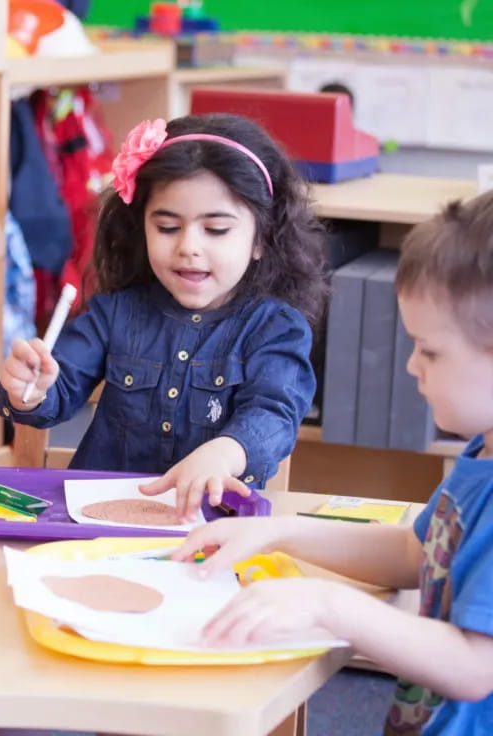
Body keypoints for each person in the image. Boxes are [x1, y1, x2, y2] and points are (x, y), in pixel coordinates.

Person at [175, 192, 493, 734]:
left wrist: (328, 605)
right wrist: (277, 532)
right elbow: (415, 551)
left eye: (431, 350)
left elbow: (473, 666)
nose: (412, 366)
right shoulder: (481, 454)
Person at [0, 114, 328, 520]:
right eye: (168, 227)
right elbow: (54, 393)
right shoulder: (115, 312)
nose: (188, 246)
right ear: (143, 230)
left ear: (260, 239)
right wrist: (29, 387)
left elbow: (274, 413)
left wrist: (225, 453)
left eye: (216, 230)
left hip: (208, 529)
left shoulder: (274, 329)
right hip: (98, 526)